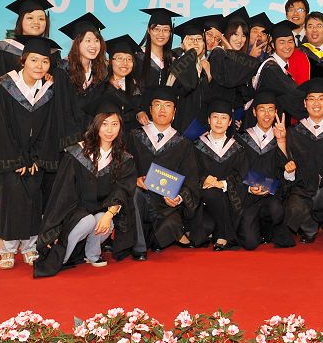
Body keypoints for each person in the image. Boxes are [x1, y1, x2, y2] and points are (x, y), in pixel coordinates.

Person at [35, 95, 136, 276]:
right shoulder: (77, 153)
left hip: (102, 209)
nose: (109, 130)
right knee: (87, 221)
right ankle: (62, 257)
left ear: (120, 127)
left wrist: (109, 214)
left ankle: (92, 253)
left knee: (104, 220)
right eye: (104, 124)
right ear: (95, 125)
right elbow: (63, 193)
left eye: (114, 124)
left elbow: (122, 189)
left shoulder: (123, 158)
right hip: (75, 211)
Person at [0, 36, 62, 269]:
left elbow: (49, 129)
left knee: (33, 199)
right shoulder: (3, 87)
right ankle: (8, 249)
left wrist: (36, 158)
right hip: (10, 157)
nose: (39, 66)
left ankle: (29, 246)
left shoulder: (48, 92)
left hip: (34, 159)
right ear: (23, 61)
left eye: (45, 61)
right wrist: (17, 159)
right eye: (34, 60)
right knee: (10, 200)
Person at [126, 86, 199, 259]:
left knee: (171, 226)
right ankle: (139, 248)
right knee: (135, 193)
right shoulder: (134, 136)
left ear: (174, 112)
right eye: (157, 105)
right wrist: (134, 180)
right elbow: (122, 168)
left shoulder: (183, 143)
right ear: (150, 109)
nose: (162, 110)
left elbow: (191, 179)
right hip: (139, 201)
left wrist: (178, 197)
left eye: (168, 105)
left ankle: (149, 237)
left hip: (164, 206)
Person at [284, 78, 323, 249]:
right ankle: (309, 228)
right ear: (305, 103)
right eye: (311, 99)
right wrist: (289, 170)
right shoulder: (294, 132)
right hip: (304, 190)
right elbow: (289, 163)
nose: (316, 103)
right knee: (293, 205)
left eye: (321, 98)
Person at [236, 90, 296, 249]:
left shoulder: (285, 137)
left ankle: (269, 230)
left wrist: (289, 169)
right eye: (262, 109)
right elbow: (236, 171)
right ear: (254, 112)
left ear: (276, 112)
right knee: (249, 243)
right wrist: (249, 188)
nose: (267, 114)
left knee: (276, 209)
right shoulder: (242, 138)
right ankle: (256, 229)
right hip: (248, 197)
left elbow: (287, 176)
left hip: (273, 196)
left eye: (271, 109)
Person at [188, 99, 249, 251]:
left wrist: (222, 183)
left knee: (214, 194)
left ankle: (221, 233)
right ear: (209, 120)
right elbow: (190, 172)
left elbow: (242, 176)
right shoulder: (196, 145)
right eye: (215, 117)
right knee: (201, 233)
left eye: (224, 118)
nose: (219, 121)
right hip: (203, 202)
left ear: (230, 122)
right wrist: (203, 179)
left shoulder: (237, 148)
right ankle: (223, 233)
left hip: (229, 201)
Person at [0, 0, 59, 104]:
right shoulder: (3, 49)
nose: (36, 22)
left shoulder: (53, 52)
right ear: (21, 21)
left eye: (41, 19)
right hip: (8, 109)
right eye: (30, 18)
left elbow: (59, 89)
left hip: (44, 111)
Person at [54, 12, 108, 148]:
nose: (93, 45)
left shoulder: (100, 73)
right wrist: (73, 142)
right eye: (88, 40)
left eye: (97, 40)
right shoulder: (62, 71)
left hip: (94, 140)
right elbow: (62, 110)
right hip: (69, 142)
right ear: (76, 43)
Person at [248, 21, 308, 127]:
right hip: (261, 127)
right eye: (282, 42)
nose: (287, 46)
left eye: (290, 41)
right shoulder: (271, 69)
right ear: (273, 45)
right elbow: (295, 93)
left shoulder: (281, 67)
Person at [287, 11, 323, 118]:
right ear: (305, 30)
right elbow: (290, 87)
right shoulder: (295, 54)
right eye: (310, 26)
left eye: (319, 26)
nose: (314, 30)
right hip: (301, 115)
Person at [167, 17, 213, 134]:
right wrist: (189, 55)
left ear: (204, 44)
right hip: (182, 126)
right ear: (182, 45)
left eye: (199, 39)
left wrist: (209, 76)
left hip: (204, 127)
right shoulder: (176, 65)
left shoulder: (207, 65)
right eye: (190, 39)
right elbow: (187, 87)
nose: (195, 42)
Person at [102, 35, 145, 134]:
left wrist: (139, 112)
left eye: (129, 59)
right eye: (119, 58)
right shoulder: (101, 87)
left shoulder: (137, 88)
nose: (125, 63)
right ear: (110, 61)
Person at [138, 8, 181, 87]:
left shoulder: (174, 59)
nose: (161, 34)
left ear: (170, 32)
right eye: (156, 29)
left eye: (165, 30)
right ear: (149, 30)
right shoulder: (138, 58)